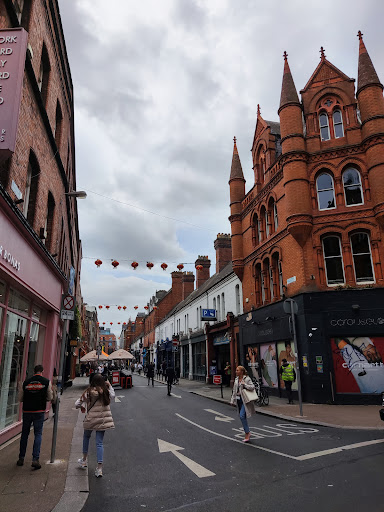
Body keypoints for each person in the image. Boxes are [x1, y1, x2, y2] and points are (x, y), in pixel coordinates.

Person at [75, 373, 115, 478]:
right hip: (102, 421)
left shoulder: (88, 392)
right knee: (99, 443)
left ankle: (84, 460)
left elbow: (77, 403)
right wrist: (109, 385)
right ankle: (99, 469)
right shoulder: (105, 391)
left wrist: (81, 407)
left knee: (86, 437)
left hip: (91, 420)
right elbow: (113, 396)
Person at [17, 364, 53, 469]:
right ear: (42, 371)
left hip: (27, 410)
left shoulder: (26, 382)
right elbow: (49, 396)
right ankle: (35, 459)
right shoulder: (46, 382)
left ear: (34, 371)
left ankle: (21, 457)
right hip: (39, 410)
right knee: (38, 434)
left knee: (24, 434)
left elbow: (20, 398)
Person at [230, 365, 256, 442]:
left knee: (242, 416)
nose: (236, 371)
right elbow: (234, 391)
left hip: (245, 400)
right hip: (239, 400)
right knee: (242, 416)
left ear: (242, 371)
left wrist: (245, 384)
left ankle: (247, 433)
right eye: (236, 370)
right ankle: (247, 432)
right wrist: (232, 400)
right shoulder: (236, 380)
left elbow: (252, 387)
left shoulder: (247, 379)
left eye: (237, 370)